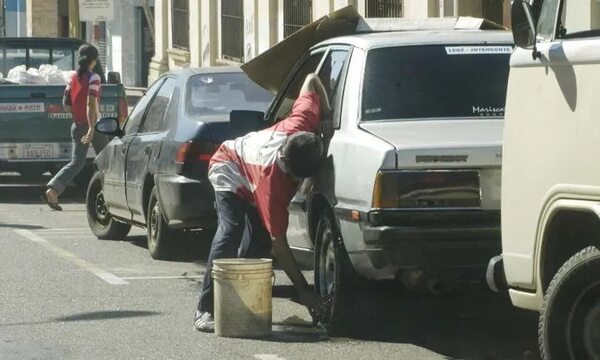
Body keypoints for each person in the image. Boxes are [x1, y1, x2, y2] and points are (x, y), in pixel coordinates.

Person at [194, 73, 333, 332]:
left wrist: (326, 115)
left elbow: (312, 79)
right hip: (229, 167)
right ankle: (205, 308)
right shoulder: (273, 187)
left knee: (257, 246)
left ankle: (237, 302)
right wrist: (305, 292)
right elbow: (279, 245)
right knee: (231, 230)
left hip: (252, 171)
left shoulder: (302, 122)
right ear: (296, 175)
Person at [42, 44, 106, 210]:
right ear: (94, 60)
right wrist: (92, 127)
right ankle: (109, 195)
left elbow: (66, 105)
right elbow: (90, 103)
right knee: (108, 159)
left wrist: (79, 116)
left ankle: (54, 189)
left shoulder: (72, 78)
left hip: (77, 125)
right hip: (93, 126)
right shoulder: (95, 78)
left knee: (77, 162)